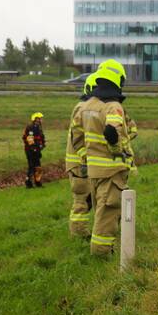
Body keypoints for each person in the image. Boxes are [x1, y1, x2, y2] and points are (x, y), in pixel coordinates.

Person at [81, 61, 132, 257]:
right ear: (117, 79)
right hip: (111, 170)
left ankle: (98, 248)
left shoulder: (88, 105)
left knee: (99, 212)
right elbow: (111, 130)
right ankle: (102, 253)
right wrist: (117, 149)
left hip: (94, 169)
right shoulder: (113, 106)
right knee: (108, 213)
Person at [64, 73, 96, 237]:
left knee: (87, 199)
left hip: (81, 164)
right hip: (79, 165)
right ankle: (79, 233)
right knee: (81, 201)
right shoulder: (82, 108)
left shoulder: (83, 107)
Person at [22, 112, 46, 188]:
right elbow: (29, 139)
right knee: (32, 167)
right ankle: (28, 182)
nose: (42, 120)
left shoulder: (38, 127)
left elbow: (41, 138)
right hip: (30, 150)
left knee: (38, 167)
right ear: (36, 119)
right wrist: (34, 149)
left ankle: (37, 182)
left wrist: (42, 145)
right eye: (40, 118)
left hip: (36, 150)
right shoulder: (31, 127)